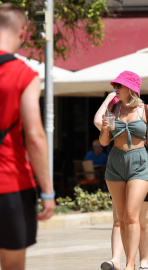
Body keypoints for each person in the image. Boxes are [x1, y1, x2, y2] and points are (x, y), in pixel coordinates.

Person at [0, 4, 55, 269]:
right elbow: (34, 136)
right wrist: (47, 190)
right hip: (10, 184)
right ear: (23, 31)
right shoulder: (22, 74)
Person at [94, 91, 148, 270]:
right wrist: (105, 129)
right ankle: (126, 262)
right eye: (115, 85)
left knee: (131, 215)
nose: (116, 88)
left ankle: (131, 264)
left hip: (140, 162)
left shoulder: (147, 111)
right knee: (121, 218)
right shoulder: (112, 110)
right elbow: (104, 142)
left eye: (120, 85)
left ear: (131, 88)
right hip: (116, 162)